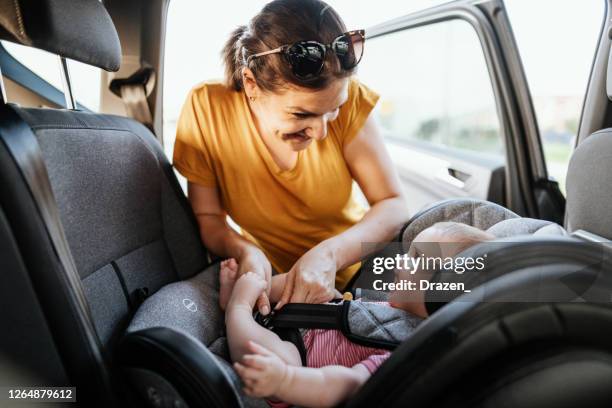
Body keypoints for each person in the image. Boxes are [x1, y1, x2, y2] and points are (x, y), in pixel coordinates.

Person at [172, 0, 410, 316]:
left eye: (333, 111)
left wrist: (329, 256)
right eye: (301, 114)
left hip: (366, 267)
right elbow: (210, 218)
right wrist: (247, 252)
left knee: (479, 277)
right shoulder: (206, 108)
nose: (322, 132)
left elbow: (392, 204)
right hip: (282, 283)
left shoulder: (353, 101)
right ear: (251, 84)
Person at [221, 221, 496, 407]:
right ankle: (249, 294)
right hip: (309, 324)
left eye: (414, 259)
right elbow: (356, 318)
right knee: (323, 293)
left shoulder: (407, 350)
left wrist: (285, 379)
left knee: (274, 353)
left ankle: (237, 308)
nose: (399, 261)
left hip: (299, 366)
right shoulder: (398, 309)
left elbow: (348, 384)